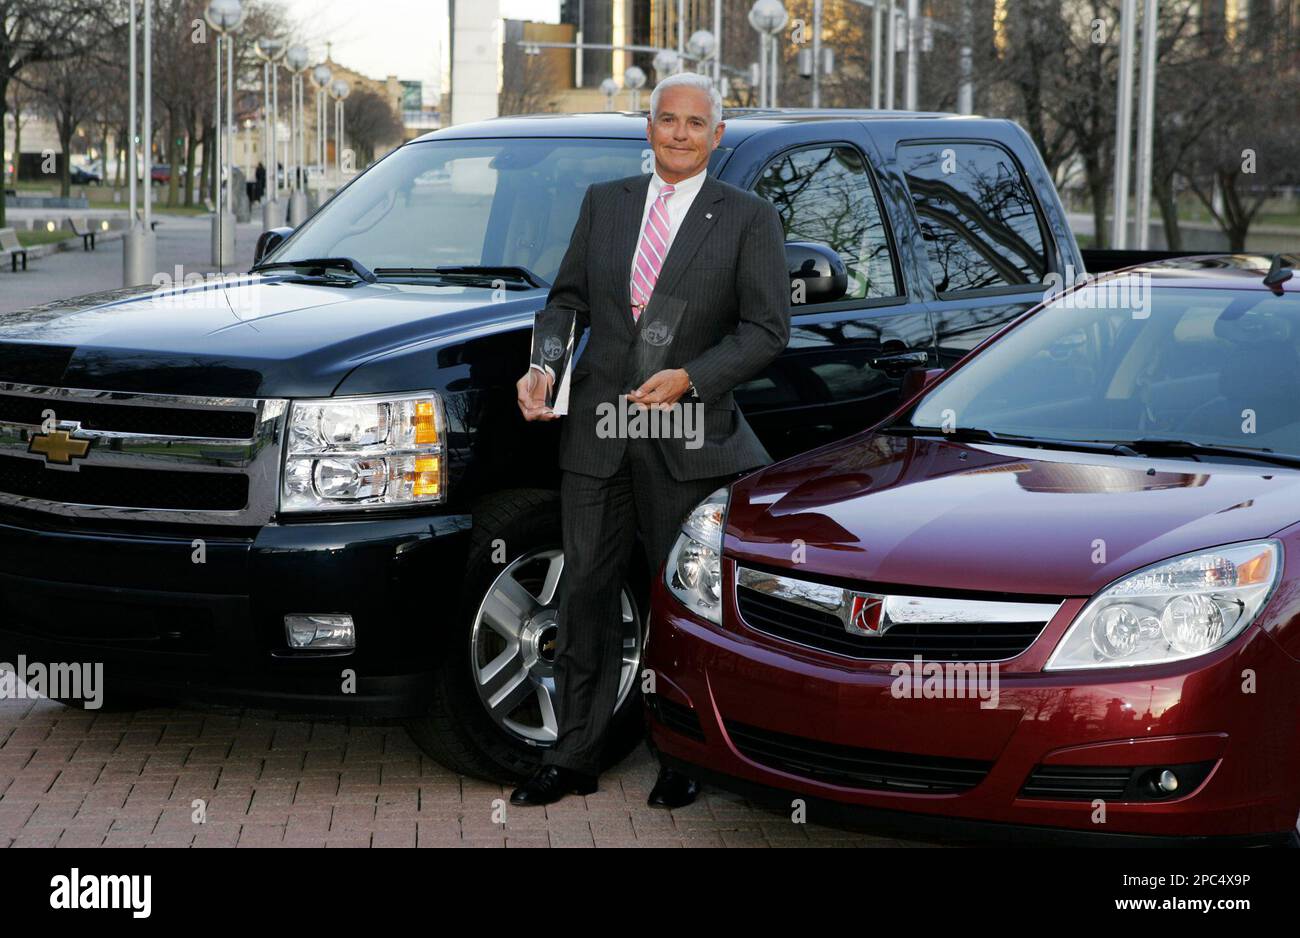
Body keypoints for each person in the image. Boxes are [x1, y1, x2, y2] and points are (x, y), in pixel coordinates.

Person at [512, 72, 791, 808]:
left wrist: (692, 378)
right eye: (667, 119)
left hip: (688, 435)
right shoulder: (607, 205)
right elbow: (566, 303)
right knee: (584, 596)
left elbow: (767, 332)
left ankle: (683, 755)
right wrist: (543, 369)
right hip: (600, 435)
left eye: (695, 124)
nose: (679, 134)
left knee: (683, 605)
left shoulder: (748, 218)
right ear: (649, 126)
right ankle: (573, 755)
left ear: (717, 136)